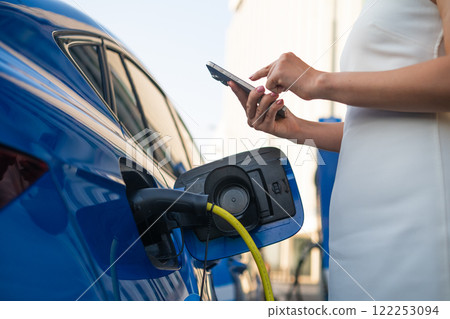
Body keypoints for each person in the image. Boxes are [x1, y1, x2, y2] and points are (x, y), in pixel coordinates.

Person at [229, 0, 450, 300]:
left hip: (416, 222)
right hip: (357, 235)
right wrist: (298, 129)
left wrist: (319, 82)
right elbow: (371, 129)